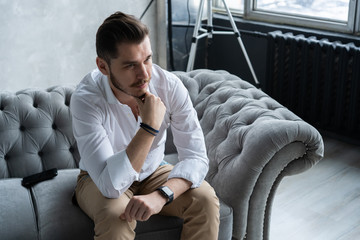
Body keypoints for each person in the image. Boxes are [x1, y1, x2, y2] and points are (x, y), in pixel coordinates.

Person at [70, 11, 220, 240]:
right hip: (98, 177)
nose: (144, 74)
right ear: (103, 66)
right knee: (117, 216)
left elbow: (196, 157)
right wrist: (149, 127)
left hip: (153, 171)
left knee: (206, 200)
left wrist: (162, 195)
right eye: (130, 65)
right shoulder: (86, 99)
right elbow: (110, 186)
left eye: (148, 59)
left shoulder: (170, 86)